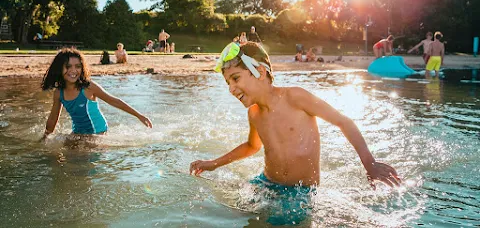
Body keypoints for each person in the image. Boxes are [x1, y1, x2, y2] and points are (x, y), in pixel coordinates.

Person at [189, 41, 400, 222]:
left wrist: (369, 163)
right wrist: (212, 164)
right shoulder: (254, 113)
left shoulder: (295, 98)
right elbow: (252, 146)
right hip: (266, 183)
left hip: (302, 191)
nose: (231, 89)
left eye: (235, 78)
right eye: (228, 83)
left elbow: (343, 122)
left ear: (260, 72)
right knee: (229, 214)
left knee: (279, 222)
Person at [40, 48, 152, 141]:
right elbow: (53, 118)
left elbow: (113, 100)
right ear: (59, 68)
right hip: (78, 132)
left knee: (82, 157)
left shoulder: (88, 87)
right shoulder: (59, 93)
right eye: (68, 66)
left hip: (98, 132)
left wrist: (139, 115)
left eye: (78, 66)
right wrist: (45, 136)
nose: (73, 70)